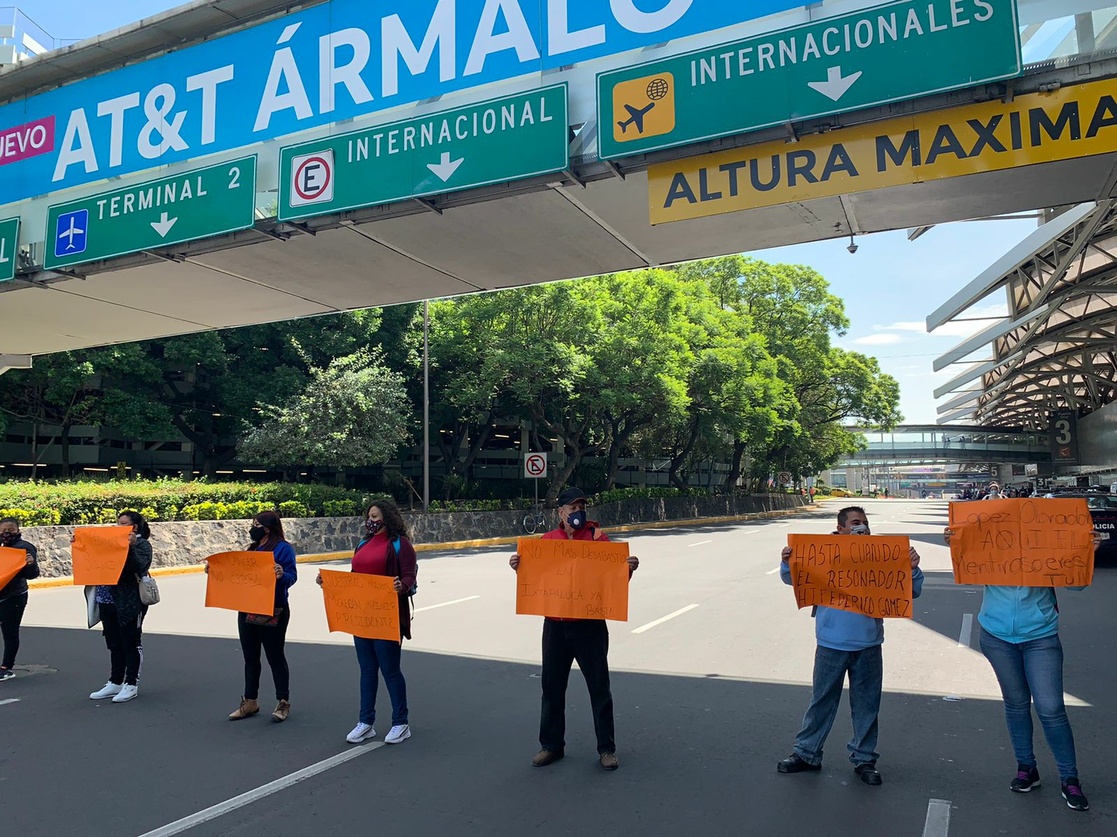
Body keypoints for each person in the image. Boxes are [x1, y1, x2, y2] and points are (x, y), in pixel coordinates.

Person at [942, 525, 1100, 812]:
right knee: (1015, 704)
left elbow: (1076, 583)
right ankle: (1026, 768)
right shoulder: (991, 549)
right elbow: (966, 570)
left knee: (1051, 708)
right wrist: (957, 544)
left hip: (1041, 637)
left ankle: (1070, 778)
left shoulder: (1047, 550)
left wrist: (1087, 552)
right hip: (997, 636)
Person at [777, 506, 924, 785]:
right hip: (831, 643)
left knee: (867, 705)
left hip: (868, 643)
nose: (861, 527)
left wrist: (913, 569)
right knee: (822, 701)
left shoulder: (883, 553)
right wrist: (787, 562)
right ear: (840, 528)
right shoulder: (822, 552)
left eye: (865, 522)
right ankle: (807, 753)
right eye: (855, 522)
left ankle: (864, 759)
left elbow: (912, 590)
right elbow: (793, 579)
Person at [509, 486, 639, 771]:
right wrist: (519, 566)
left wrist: (627, 568)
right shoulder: (547, 541)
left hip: (589, 627)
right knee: (552, 688)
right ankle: (551, 746)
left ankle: (606, 749)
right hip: (555, 627)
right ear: (561, 513)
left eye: (582, 507)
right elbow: (536, 580)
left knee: (599, 688)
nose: (578, 512)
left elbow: (611, 580)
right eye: (573, 508)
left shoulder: (597, 540)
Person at [318, 499, 416, 746]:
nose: (370, 521)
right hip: (362, 617)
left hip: (386, 617)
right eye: (369, 517)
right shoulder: (364, 543)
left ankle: (400, 723)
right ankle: (366, 722)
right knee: (367, 670)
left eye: (375, 517)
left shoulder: (400, 545)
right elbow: (355, 579)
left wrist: (400, 586)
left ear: (387, 518)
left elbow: (409, 577)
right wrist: (328, 583)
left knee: (390, 670)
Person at [226, 511, 297, 723]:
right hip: (247, 608)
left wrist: (281, 575)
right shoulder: (253, 549)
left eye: (257, 524)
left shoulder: (283, 549)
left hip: (272, 609)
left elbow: (292, 576)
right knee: (250, 657)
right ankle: (250, 701)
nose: (252, 528)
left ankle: (282, 702)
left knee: (275, 656)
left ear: (268, 527)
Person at [86, 511, 154, 703]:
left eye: (123, 523)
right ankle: (115, 681)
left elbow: (138, 566)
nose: (118, 527)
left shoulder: (142, 545)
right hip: (106, 599)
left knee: (131, 642)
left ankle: (131, 683)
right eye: (117, 523)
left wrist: (130, 547)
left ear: (135, 527)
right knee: (114, 643)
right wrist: (80, 545)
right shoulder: (110, 543)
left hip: (129, 601)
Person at [1, 517, 40, 680]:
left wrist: (30, 564)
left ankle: (6, 667)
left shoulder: (24, 548)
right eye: (3, 531)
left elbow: (32, 575)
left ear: (18, 530)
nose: (7, 534)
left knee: (10, 632)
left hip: (14, 597)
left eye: (10, 530)